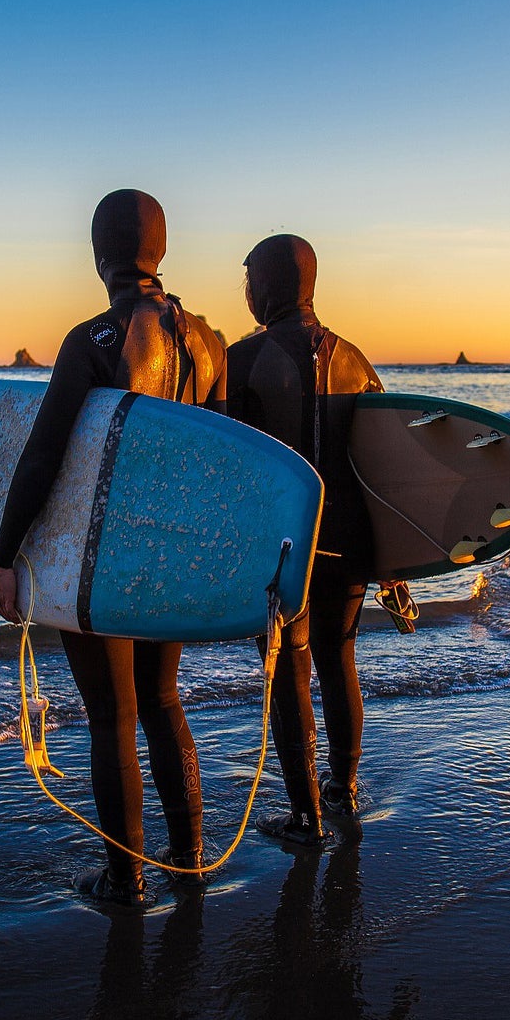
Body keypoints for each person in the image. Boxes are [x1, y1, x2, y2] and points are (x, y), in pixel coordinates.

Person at [0, 189, 227, 907]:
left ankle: (127, 880)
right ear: (161, 250)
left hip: (106, 556)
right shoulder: (209, 341)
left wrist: (5, 554)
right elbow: (218, 462)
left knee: (111, 716)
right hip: (175, 551)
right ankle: (190, 857)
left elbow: (43, 457)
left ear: (99, 255)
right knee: (162, 700)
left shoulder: (94, 338)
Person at [225, 233, 383, 845]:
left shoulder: (245, 360)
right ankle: (343, 792)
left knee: (290, 672)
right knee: (340, 661)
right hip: (350, 539)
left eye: (248, 281)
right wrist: (391, 555)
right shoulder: (357, 359)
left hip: (285, 546)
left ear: (265, 286)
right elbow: (386, 462)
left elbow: (227, 466)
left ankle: (305, 817)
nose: (245, 294)